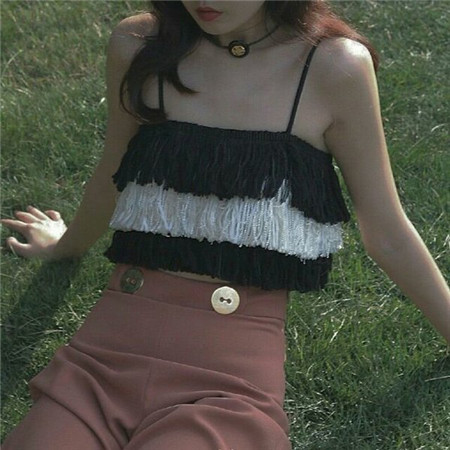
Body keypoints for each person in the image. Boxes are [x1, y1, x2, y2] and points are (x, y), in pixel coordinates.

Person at [2, 1, 449, 449]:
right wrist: (64, 245)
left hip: (227, 382)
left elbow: (387, 233)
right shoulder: (139, 44)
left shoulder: (333, 67)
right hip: (104, 357)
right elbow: (113, 172)